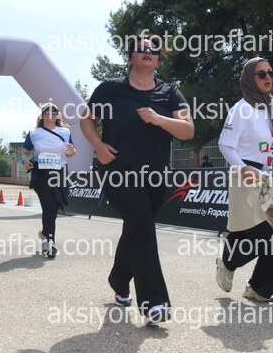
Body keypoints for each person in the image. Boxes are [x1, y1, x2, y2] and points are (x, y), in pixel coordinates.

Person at [80, 34, 194, 325]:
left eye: (154, 49)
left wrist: (159, 118)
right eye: (140, 48)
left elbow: (187, 130)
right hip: (117, 170)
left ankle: (119, 280)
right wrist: (98, 145)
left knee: (135, 230)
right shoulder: (110, 89)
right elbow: (86, 120)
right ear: (130, 56)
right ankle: (153, 303)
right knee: (143, 228)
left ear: (158, 58)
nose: (148, 52)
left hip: (156, 174)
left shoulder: (170, 92)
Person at [216, 57, 273, 303]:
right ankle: (228, 262)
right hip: (248, 176)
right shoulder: (241, 109)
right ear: (249, 78)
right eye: (261, 74)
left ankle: (259, 288)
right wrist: (242, 168)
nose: (268, 78)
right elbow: (225, 144)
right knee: (261, 234)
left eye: (271, 73)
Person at [21, 102, 76, 258]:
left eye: (54, 112)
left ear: (58, 116)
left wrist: (72, 150)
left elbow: (71, 153)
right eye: (47, 112)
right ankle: (50, 241)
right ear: (42, 115)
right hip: (42, 173)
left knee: (55, 206)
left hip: (59, 173)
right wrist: (24, 160)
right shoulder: (34, 133)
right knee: (48, 206)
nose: (51, 114)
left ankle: (46, 233)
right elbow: (24, 150)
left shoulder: (65, 131)